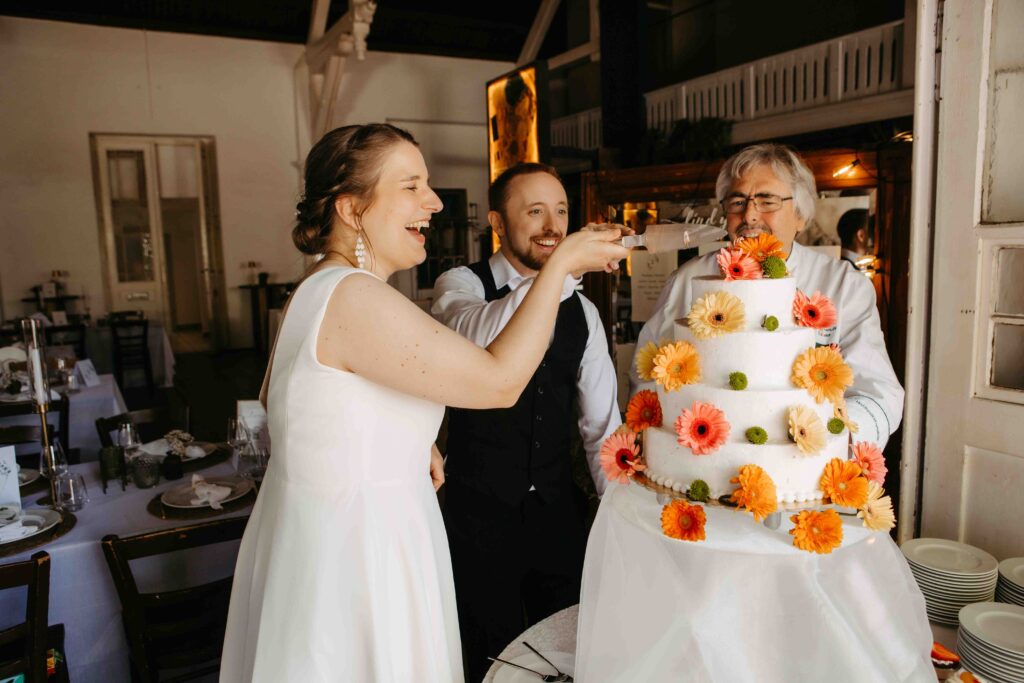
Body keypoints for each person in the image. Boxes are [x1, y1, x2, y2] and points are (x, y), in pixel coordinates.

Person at [219, 125, 627, 682]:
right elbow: (500, 383)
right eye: (412, 186)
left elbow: (279, 396)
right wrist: (560, 267)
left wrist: (407, 439)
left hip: (337, 539)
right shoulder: (355, 295)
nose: (433, 202)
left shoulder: (315, 288)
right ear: (351, 207)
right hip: (363, 553)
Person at [430, 162, 624, 682]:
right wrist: (558, 273)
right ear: (497, 221)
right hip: (476, 512)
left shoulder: (582, 311)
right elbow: (470, 336)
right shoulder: (461, 284)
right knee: (484, 650)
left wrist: (616, 515)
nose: (552, 225)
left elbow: (601, 425)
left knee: (562, 649)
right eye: (534, 211)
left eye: (560, 211)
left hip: (556, 514)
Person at [630, 143, 903, 449]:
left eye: (767, 201)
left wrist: (829, 440)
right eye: (737, 202)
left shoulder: (843, 285)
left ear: (800, 215)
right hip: (702, 462)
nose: (750, 215)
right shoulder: (687, 281)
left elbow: (879, 392)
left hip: (806, 473)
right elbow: (646, 378)